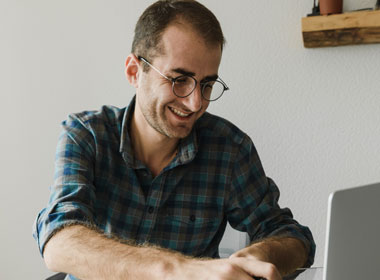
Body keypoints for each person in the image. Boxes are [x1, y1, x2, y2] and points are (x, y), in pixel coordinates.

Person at [33, 1, 315, 279]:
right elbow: (60, 242)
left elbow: (291, 236)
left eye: (207, 84)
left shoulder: (229, 148)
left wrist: (257, 256)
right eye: (180, 80)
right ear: (134, 71)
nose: (195, 103)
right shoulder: (87, 135)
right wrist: (178, 270)